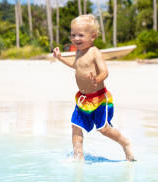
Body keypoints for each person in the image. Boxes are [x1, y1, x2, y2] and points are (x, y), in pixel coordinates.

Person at [53, 14, 135, 161]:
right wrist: (60, 58)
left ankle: (125, 143)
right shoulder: (78, 52)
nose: (76, 38)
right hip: (83, 99)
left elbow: (105, 71)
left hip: (99, 99)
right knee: (75, 126)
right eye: (73, 35)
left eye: (80, 35)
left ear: (93, 36)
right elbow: (76, 66)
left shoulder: (94, 52)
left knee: (104, 129)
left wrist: (97, 79)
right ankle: (79, 157)